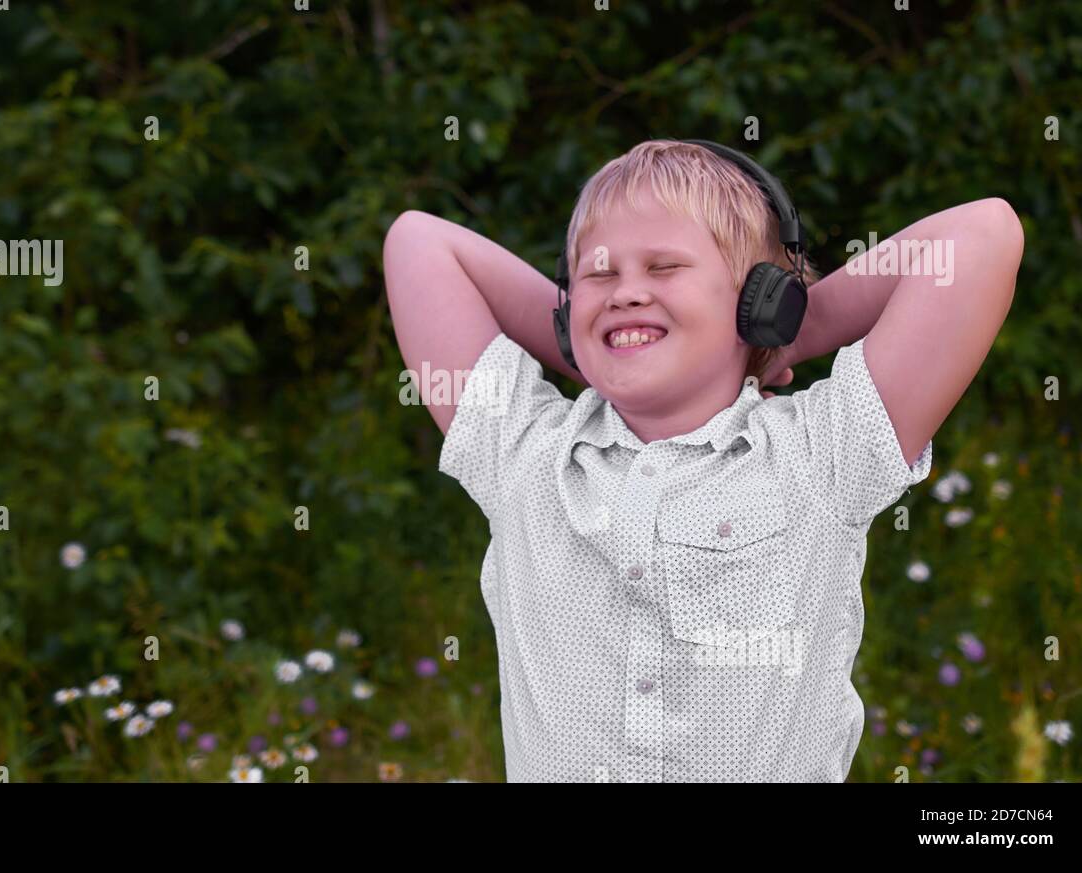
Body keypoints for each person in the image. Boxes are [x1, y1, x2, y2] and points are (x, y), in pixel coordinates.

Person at [381, 138, 1023, 781]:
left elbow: (981, 237)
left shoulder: (821, 455)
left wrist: (788, 327)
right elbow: (418, 243)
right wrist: (581, 338)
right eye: (600, 273)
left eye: (663, 269)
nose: (626, 292)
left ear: (756, 299)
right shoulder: (524, 451)